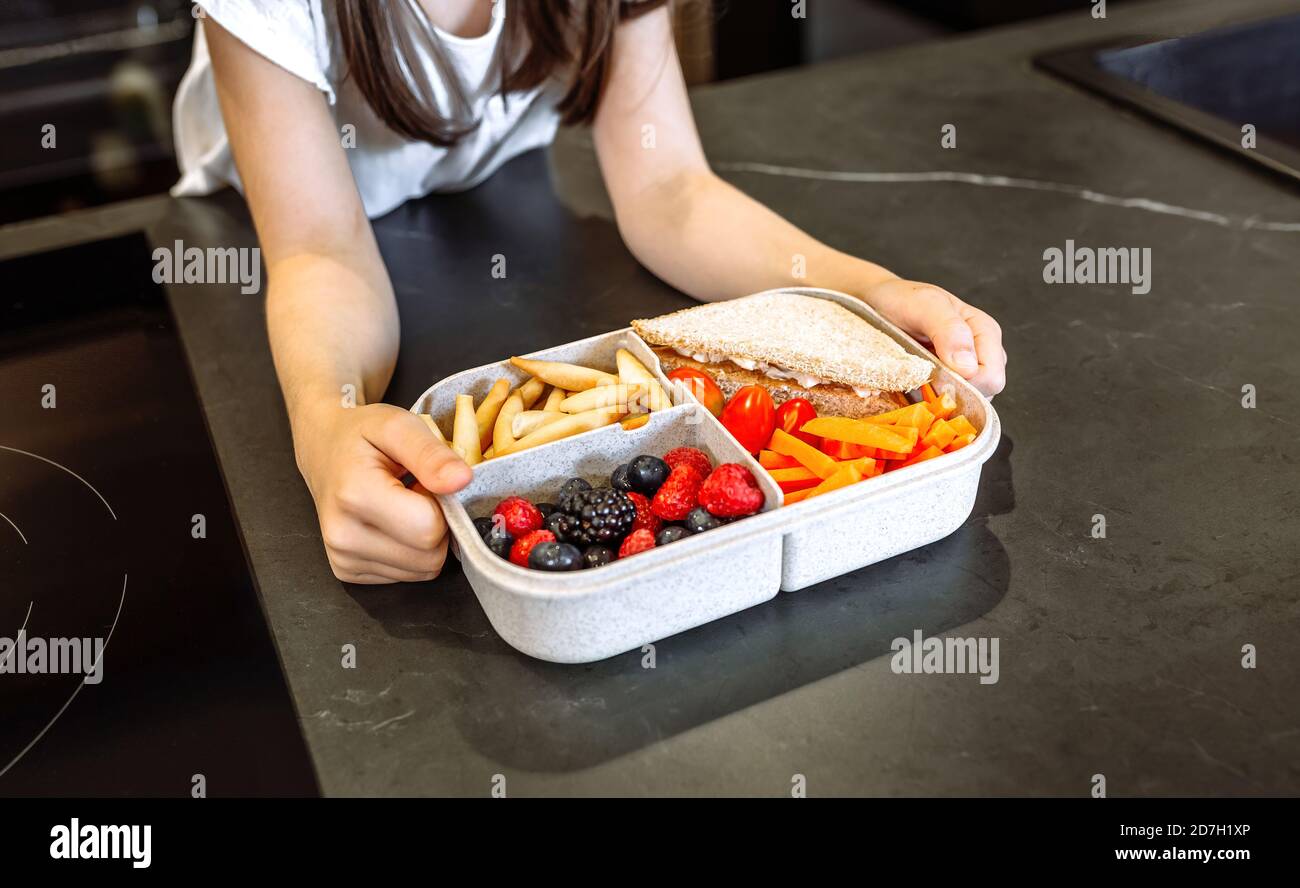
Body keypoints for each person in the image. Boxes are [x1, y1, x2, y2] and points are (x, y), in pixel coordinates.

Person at [173, 0, 1006, 584]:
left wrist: (864, 292)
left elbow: (671, 190)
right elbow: (322, 251)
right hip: (264, 210)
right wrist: (326, 426)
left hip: (491, 185)